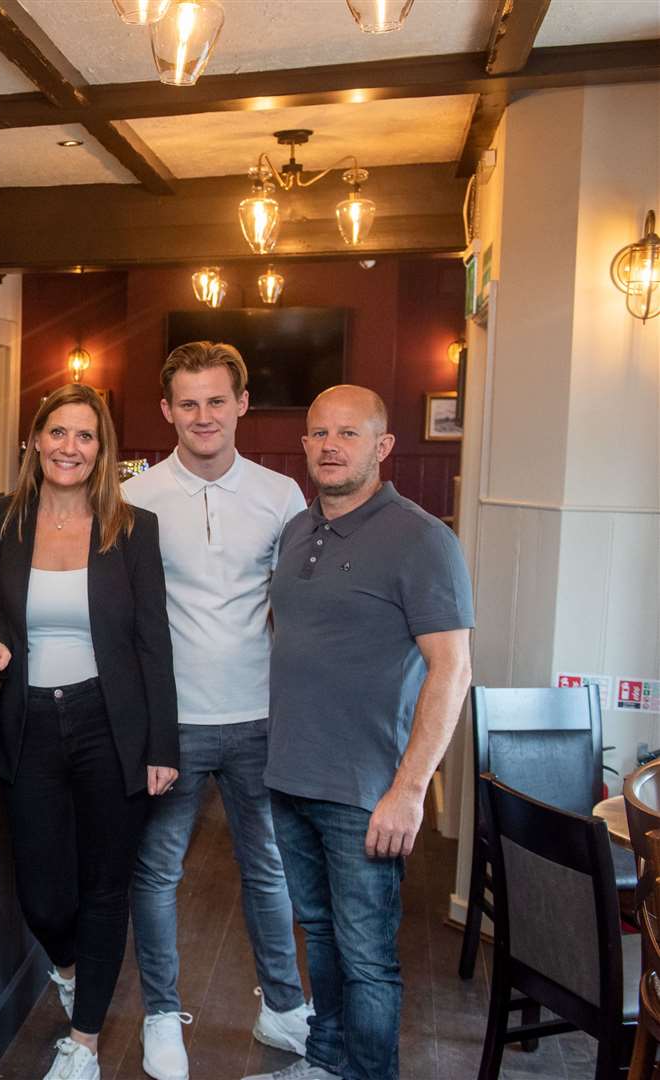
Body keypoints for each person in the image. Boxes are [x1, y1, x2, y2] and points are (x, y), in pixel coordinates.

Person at [242, 385, 473, 1080]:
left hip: (368, 791)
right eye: (319, 433)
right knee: (320, 936)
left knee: (368, 957)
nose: (331, 445)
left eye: (348, 433)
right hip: (289, 775)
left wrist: (410, 790)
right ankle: (324, 1062)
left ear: (383, 446)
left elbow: (451, 670)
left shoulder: (423, 539)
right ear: (305, 444)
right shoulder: (298, 530)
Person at [0, 382, 179, 1080]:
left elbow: (155, 643)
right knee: (43, 894)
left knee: (105, 888)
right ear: (34, 439)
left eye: (85, 436)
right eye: (58, 432)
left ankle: (84, 1041)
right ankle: (72, 967)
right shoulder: (2, 520)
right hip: (29, 721)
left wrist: (161, 747)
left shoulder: (134, 527)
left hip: (108, 725)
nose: (70, 447)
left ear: (103, 448)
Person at [121, 343, 311, 1080]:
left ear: (241, 404)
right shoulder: (134, 499)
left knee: (267, 868)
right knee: (158, 870)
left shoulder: (281, 495)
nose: (204, 415)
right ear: (167, 410)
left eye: (216, 400)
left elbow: (296, 612)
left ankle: (284, 1006)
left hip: (261, 715)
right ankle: (163, 1016)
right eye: (188, 403)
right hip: (172, 724)